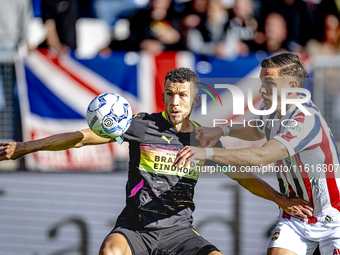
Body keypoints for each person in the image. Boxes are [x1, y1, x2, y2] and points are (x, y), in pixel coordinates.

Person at [0, 67, 312, 255]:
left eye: (182, 96)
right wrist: (25, 147)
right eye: (169, 94)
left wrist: (279, 199)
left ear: (195, 99)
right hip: (134, 229)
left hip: (179, 233)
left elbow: (241, 175)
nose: (175, 102)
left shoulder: (204, 137)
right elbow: (81, 137)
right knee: (110, 250)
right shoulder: (138, 125)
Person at [174, 53, 340, 255]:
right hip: (296, 212)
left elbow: (261, 157)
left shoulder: (305, 120)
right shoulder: (272, 109)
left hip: (333, 216)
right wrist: (223, 130)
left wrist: (206, 152)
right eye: (262, 81)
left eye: (269, 82)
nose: (262, 89)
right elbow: (257, 129)